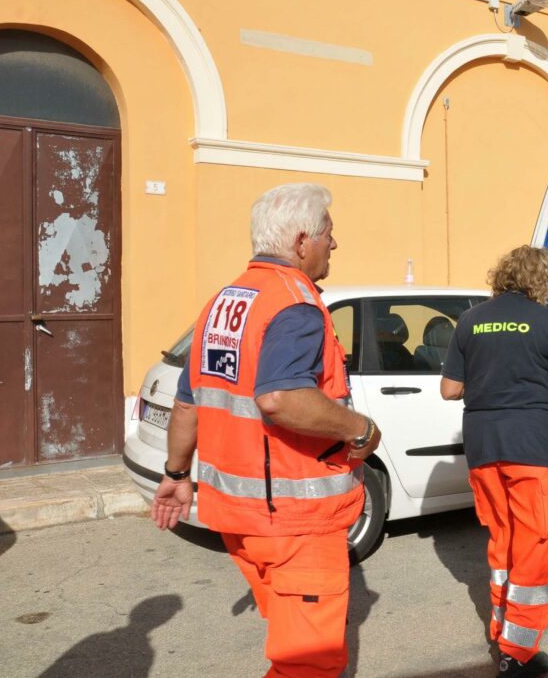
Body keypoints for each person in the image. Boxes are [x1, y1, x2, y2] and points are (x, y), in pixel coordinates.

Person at [151, 183, 381, 678]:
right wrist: (360, 428)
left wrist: (175, 472)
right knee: (308, 664)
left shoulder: (224, 302)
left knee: (290, 643)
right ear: (302, 242)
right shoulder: (294, 302)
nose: (333, 245)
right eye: (328, 234)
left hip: (241, 520)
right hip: (294, 521)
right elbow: (281, 398)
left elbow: (189, 402)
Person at [440, 245, 548, 678]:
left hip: (482, 445)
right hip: (531, 446)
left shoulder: (471, 320)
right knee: (535, 546)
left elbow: (449, 390)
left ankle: (502, 632)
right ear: (543, 281)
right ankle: (519, 653)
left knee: (503, 541)